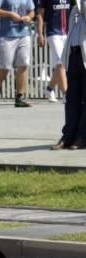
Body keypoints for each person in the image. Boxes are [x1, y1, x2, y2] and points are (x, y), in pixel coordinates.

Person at [0, 0, 36, 107]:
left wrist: (29, 17)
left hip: (24, 34)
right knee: (5, 67)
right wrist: (10, 14)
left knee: (24, 64)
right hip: (6, 35)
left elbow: (32, 11)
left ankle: (19, 98)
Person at [55, 0, 86, 148]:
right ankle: (68, 136)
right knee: (71, 99)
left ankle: (81, 137)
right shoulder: (75, 10)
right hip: (74, 56)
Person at [37, 0, 72, 102]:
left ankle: (49, 88)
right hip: (53, 33)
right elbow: (40, 15)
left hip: (68, 33)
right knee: (61, 63)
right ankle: (66, 94)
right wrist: (40, 34)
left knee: (63, 64)